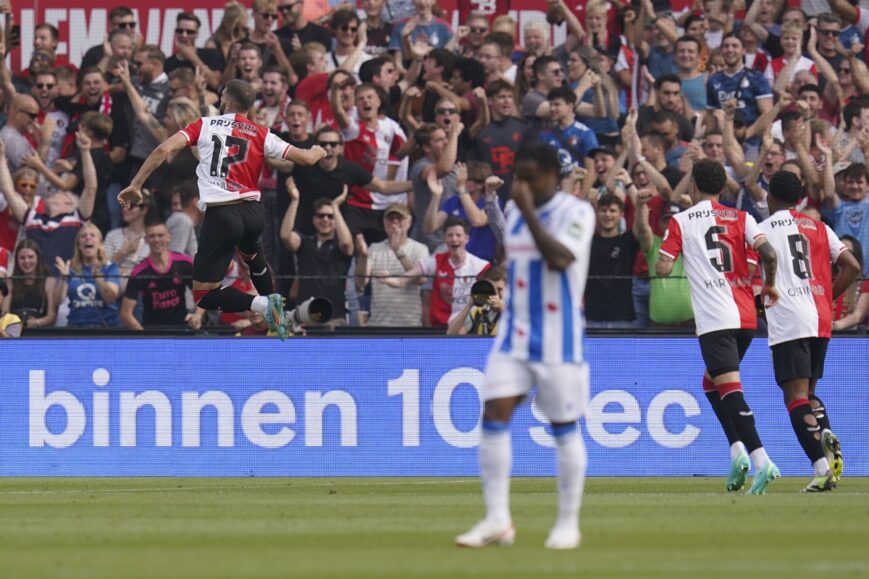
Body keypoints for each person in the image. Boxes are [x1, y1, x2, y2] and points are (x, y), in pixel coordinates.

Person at [455, 143, 595, 550]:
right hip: (515, 330)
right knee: (494, 412)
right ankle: (497, 520)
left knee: (563, 426)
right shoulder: (515, 213)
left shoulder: (576, 212)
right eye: (521, 177)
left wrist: (529, 210)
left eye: (533, 178)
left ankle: (567, 524)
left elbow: (561, 259)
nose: (525, 185)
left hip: (558, 335)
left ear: (554, 176)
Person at [117, 79, 327, 340]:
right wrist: (318, 151)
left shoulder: (204, 125)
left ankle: (262, 305)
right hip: (253, 213)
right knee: (252, 255)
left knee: (204, 297)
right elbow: (305, 159)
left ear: (226, 102)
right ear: (249, 106)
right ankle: (277, 316)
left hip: (222, 215)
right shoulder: (261, 133)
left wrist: (136, 184)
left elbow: (163, 149)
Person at [657, 159, 780, 495]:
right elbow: (768, 253)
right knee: (712, 385)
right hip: (746, 318)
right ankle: (737, 453)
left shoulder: (681, 221)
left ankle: (761, 460)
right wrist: (769, 284)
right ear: (724, 187)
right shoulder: (744, 218)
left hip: (715, 319)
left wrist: (666, 255)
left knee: (729, 389)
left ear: (693, 186)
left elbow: (664, 268)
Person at [759, 170, 860, 491]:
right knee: (809, 393)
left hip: (789, 320)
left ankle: (821, 469)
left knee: (795, 397)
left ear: (769, 198)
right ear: (801, 198)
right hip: (819, 318)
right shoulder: (819, 227)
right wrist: (825, 298)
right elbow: (853, 267)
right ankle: (825, 433)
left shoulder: (761, 232)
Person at [383, 217, 489, 328]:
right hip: (441, 328)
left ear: (467, 239)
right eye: (450, 235)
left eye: (458, 235)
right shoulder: (436, 260)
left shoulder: (481, 266)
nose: (454, 239)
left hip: (468, 328)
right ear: (444, 238)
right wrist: (392, 280)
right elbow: (404, 279)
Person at [280, 180, 354, 324]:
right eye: (321, 216)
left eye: (330, 216)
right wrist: (295, 200)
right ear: (314, 219)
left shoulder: (340, 245)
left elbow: (347, 244)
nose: (325, 219)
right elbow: (285, 236)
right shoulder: (305, 242)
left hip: (334, 317)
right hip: (305, 316)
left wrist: (335, 207)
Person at [354, 203, 430, 327]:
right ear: (384, 223)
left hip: (409, 324)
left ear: (409, 222)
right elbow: (360, 283)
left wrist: (397, 251)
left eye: (399, 218)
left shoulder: (420, 249)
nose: (395, 222)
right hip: (379, 324)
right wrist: (363, 256)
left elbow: (421, 279)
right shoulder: (374, 248)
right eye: (390, 218)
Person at [120, 221, 203, 331]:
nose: (156, 240)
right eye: (152, 236)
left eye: (160, 235)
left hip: (182, 330)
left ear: (168, 237)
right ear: (146, 239)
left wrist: (197, 315)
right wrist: (143, 335)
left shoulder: (185, 263)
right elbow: (126, 313)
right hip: (152, 332)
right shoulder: (139, 272)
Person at [55, 223, 122, 328]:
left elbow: (111, 299)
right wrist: (64, 277)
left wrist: (99, 281)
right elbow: (58, 301)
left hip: (106, 328)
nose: (88, 238)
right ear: (78, 245)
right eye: (83, 236)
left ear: (100, 244)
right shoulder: (69, 268)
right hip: (76, 327)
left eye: (92, 235)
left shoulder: (110, 267)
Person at [1, 240, 58, 329]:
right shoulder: (10, 282)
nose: (27, 261)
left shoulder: (49, 281)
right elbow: (4, 313)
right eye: (22, 258)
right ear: (17, 260)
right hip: (14, 331)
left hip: (40, 332)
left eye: (30, 257)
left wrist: (37, 322)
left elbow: (51, 316)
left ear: (37, 258)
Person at [446, 264, 506, 336]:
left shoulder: (516, 312)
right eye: (492, 289)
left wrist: (503, 308)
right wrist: (469, 306)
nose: (495, 294)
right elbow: (451, 334)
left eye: (499, 289)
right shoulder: (477, 312)